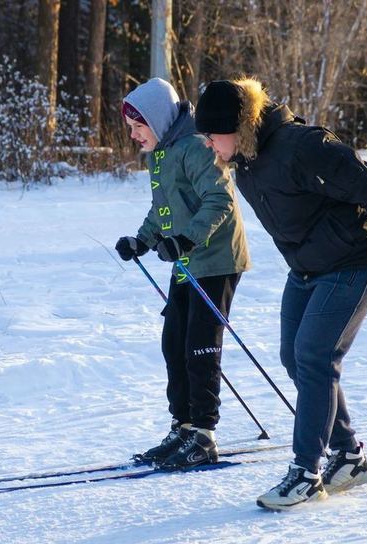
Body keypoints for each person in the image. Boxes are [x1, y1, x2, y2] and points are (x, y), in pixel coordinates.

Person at [194, 78, 367, 510]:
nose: (210, 146)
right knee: (294, 357)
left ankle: (306, 472)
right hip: (308, 267)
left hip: (356, 261)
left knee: (316, 357)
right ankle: (350, 456)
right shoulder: (246, 158)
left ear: (237, 125)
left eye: (213, 136)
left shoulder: (302, 147)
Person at [115, 77, 251, 469]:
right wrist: (141, 241)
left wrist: (186, 240)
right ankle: (184, 426)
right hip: (188, 260)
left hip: (217, 259)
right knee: (173, 341)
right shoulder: (162, 154)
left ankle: (204, 435)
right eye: (130, 128)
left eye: (138, 126)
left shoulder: (195, 147)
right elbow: (163, 212)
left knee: (199, 346)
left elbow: (219, 199)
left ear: (157, 121)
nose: (134, 135)